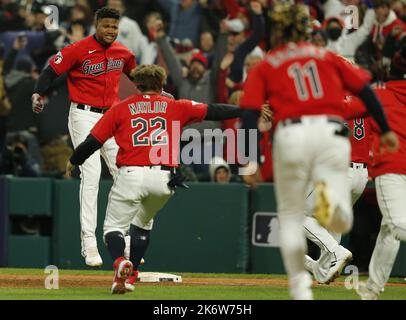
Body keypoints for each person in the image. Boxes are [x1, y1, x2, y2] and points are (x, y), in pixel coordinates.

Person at [240, 1, 399, 300]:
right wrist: (387, 130)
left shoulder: (271, 64)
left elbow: (250, 114)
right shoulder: (330, 62)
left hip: (322, 154)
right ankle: (325, 269)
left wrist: (248, 161)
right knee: (326, 223)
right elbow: (367, 92)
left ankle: (335, 252)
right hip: (355, 168)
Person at [65, 64, 264, 294]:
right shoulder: (175, 106)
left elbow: (93, 141)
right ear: (162, 85)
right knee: (143, 223)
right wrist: (247, 110)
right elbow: (214, 110)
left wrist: (75, 160)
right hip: (164, 178)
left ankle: (120, 262)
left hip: (132, 173)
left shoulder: (121, 108)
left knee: (113, 228)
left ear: (137, 85)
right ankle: (130, 278)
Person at [31, 7, 137, 267]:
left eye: (114, 26)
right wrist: (38, 93)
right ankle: (88, 241)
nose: (110, 30)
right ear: (96, 24)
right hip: (83, 114)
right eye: (106, 25)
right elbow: (50, 72)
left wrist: (158, 93)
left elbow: (139, 77)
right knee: (90, 173)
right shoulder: (77, 48)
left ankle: (121, 235)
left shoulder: (124, 52)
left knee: (125, 173)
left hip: (112, 116)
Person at [348, 47, 406, 300]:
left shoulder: (380, 95)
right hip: (394, 171)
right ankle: (371, 290)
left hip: (392, 171)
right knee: (387, 230)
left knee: (396, 226)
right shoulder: (380, 94)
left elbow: (344, 109)